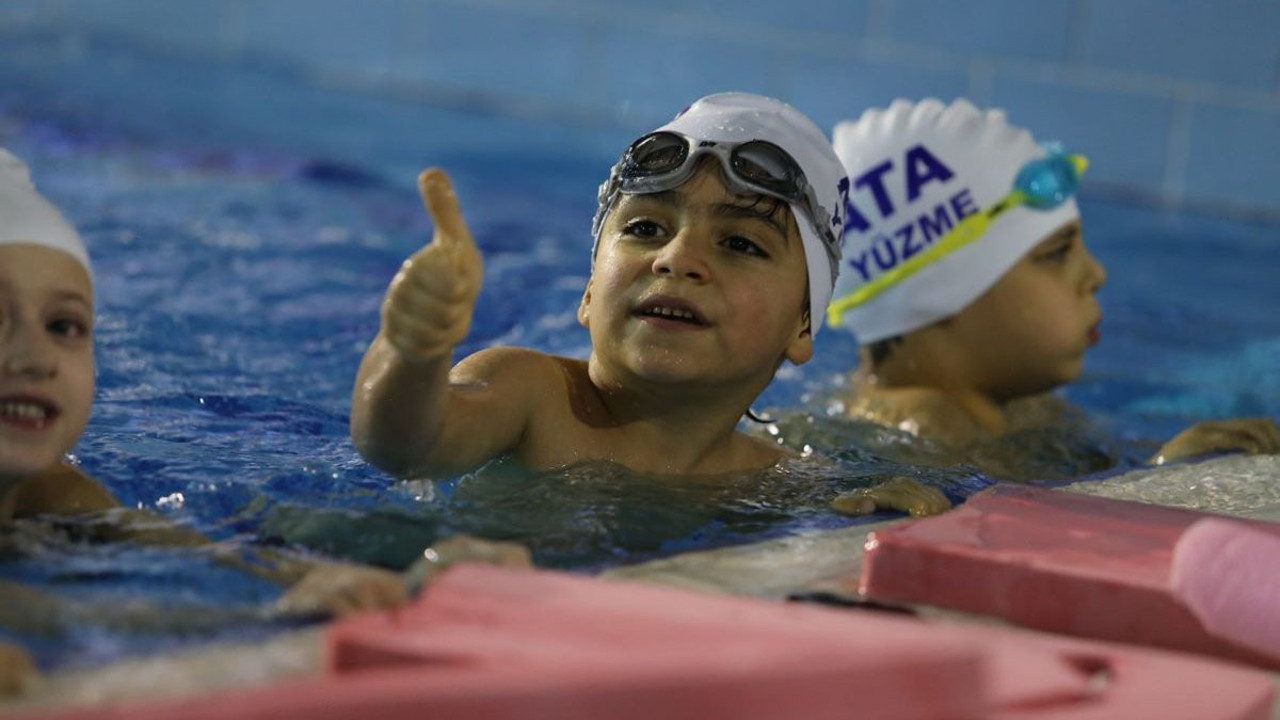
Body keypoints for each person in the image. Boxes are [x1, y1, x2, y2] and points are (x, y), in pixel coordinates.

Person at [351, 93, 950, 508]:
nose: (676, 259)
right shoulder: (532, 398)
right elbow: (406, 447)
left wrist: (892, 513)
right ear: (589, 292)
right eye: (645, 229)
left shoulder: (784, 482)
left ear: (802, 327)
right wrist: (411, 351)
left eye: (740, 243)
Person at [0, 148, 409, 695]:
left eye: (64, 325)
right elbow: (48, 615)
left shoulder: (45, 487)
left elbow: (205, 552)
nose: (36, 357)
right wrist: (266, 621)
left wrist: (317, 579)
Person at [823, 98, 1280, 474]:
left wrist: (1186, 453)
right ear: (935, 293)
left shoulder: (1024, 405)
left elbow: (1102, 464)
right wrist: (1166, 476)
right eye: (1057, 254)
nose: (1096, 273)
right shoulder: (922, 421)